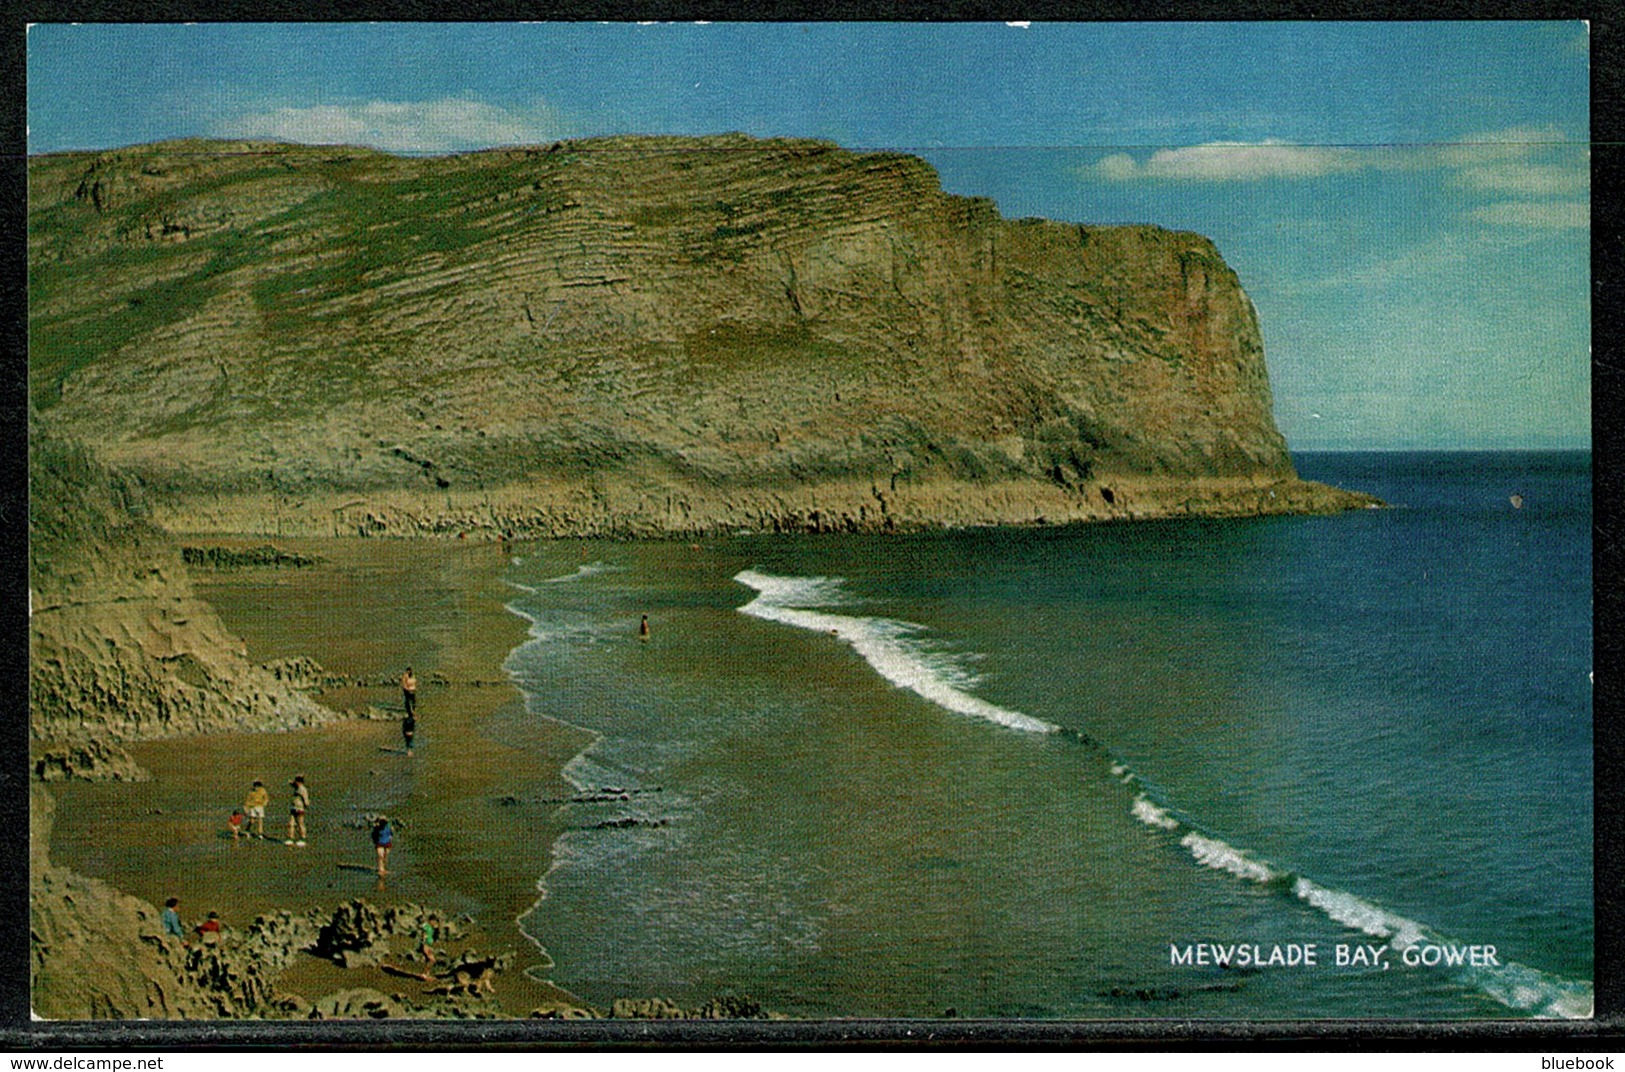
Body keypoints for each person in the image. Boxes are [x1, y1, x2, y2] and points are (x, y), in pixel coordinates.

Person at [285, 776, 309, 845]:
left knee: (300, 824)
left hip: (300, 808)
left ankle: (303, 838)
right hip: (293, 807)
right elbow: (292, 784)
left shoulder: (302, 789)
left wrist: (306, 805)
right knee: (291, 823)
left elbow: (305, 798)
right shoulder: (297, 787)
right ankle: (291, 838)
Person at [418, 914, 440, 979]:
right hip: (425, 945)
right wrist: (424, 944)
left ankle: (427, 974)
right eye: (434, 921)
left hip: (428, 945)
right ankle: (425, 974)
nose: (435, 923)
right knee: (432, 960)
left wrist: (436, 929)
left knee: (429, 960)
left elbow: (435, 936)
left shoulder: (432, 928)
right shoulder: (427, 927)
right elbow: (423, 933)